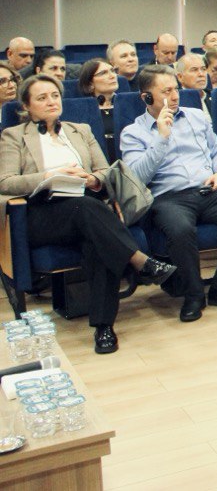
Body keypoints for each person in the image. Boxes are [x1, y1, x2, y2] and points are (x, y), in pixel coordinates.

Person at [0, 74, 177, 353]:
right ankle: (140, 261)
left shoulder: (80, 130)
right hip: (42, 214)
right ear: (26, 106)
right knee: (88, 210)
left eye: (55, 95)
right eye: (42, 98)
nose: (51, 102)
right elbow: (5, 182)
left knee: (96, 239)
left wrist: (93, 180)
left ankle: (104, 328)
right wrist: (49, 176)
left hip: (86, 207)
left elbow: (106, 171)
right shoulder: (14, 136)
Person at [120, 65, 217, 322]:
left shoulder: (196, 117)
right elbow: (137, 177)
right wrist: (161, 138)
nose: (175, 96)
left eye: (175, 89)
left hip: (208, 188)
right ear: (147, 97)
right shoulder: (133, 133)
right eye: (166, 91)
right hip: (168, 198)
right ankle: (193, 295)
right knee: (181, 230)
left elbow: (216, 151)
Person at [77, 58, 121, 161]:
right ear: (90, 84)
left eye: (112, 71)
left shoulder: (128, 104)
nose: (112, 76)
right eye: (103, 73)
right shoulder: (83, 110)